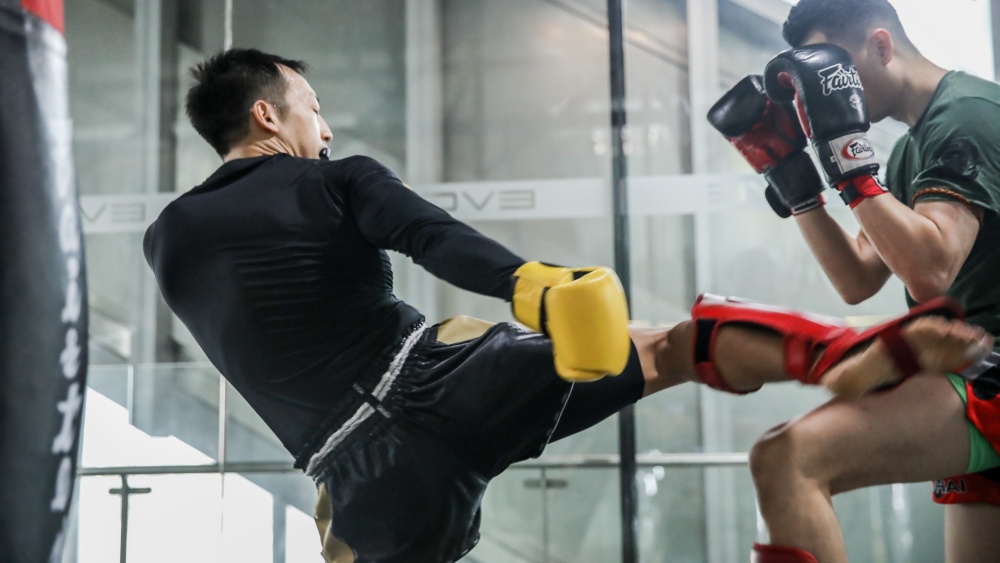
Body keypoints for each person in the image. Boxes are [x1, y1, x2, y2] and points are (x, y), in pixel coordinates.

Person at [143, 48, 990, 563]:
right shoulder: (338, 179)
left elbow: (256, 338)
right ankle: (838, 354)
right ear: (266, 112)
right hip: (441, 380)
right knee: (674, 346)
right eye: (312, 109)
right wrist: (534, 283)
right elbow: (431, 236)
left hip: (361, 481)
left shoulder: (167, 242)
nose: (323, 129)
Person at [707, 1, 1000, 561]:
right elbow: (858, 277)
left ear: (882, 47)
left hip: (987, 366)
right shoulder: (910, 148)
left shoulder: (967, 116)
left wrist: (848, 159)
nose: (825, 97)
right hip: (971, 366)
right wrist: (794, 179)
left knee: (788, 458)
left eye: (834, 74)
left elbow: (931, 273)